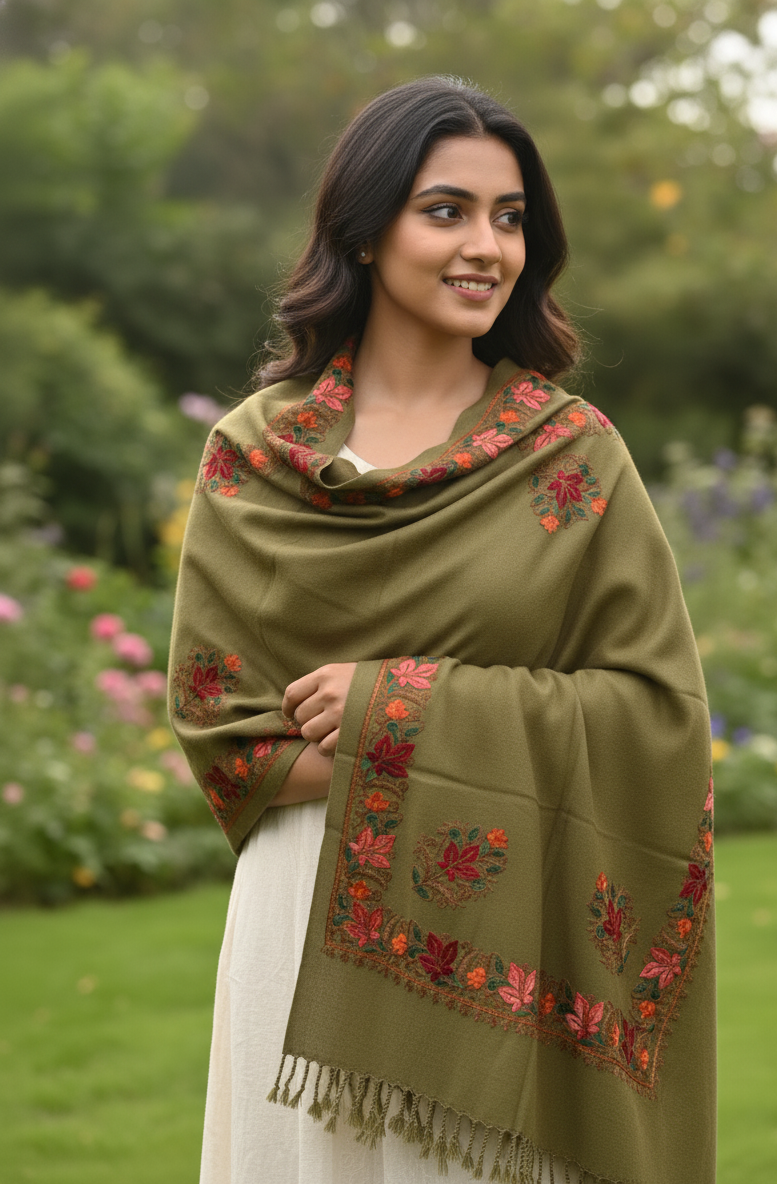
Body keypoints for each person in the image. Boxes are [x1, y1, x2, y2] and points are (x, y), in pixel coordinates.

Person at [169, 77, 715, 1184]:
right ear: (366, 232)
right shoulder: (253, 454)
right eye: (448, 210)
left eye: (509, 218)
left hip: (504, 929)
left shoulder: (571, 454)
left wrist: (393, 706)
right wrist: (398, 738)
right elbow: (230, 734)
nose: (487, 246)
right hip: (297, 917)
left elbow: (656, 711)